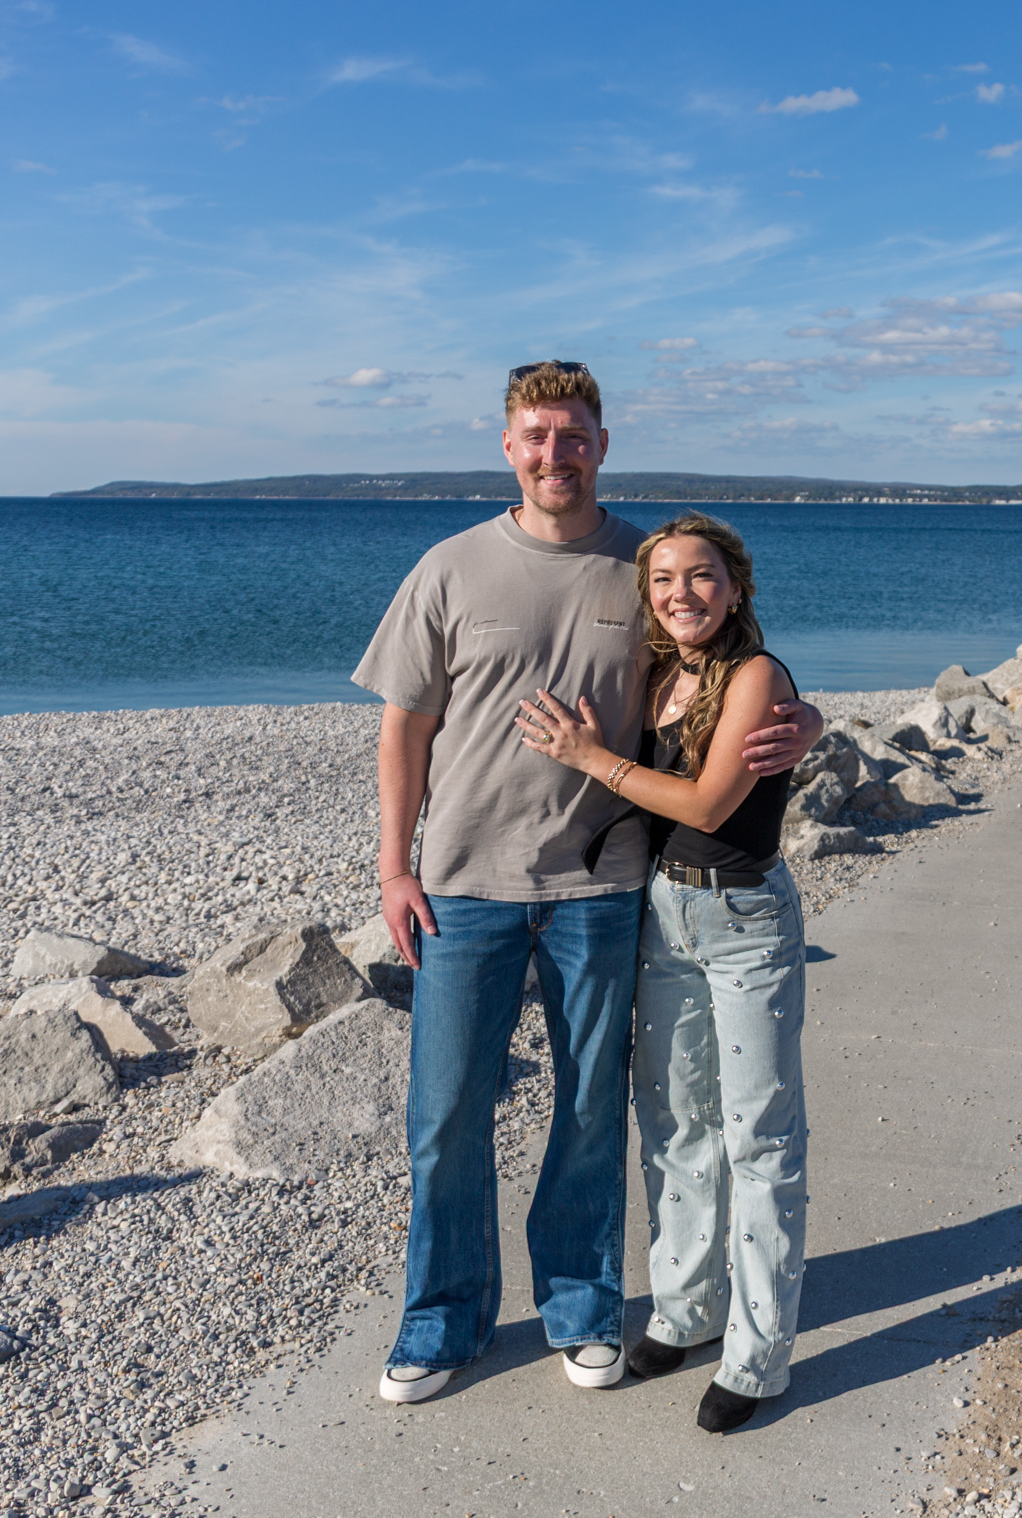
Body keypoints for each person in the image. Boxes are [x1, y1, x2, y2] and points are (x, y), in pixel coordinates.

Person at [351, 362, 822, 1409]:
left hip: (605, 887)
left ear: (602, 444)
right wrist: (393, 865)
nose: (554, 453)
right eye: (536, 435)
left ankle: (580, 1307)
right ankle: (442, 1320)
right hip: (463, 882)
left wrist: (807, 720)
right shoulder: (448, 567)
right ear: (507, 446)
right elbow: (403, 730)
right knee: (445, 1114)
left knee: (592, 1110)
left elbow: (726, 666)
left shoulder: (643, 567)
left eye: (573, 435)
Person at [516, 513, 809, 1435]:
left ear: (737, 585)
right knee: (678, 1120)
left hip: (745, 917)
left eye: (702, 575)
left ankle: (759, 1354)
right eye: (665, 579)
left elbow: (709, 804)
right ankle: (686, 1309)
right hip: (665, 911)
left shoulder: (756, 674)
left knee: (758, 1135)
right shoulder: (657, 673)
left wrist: (589, 758)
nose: (683, 592)